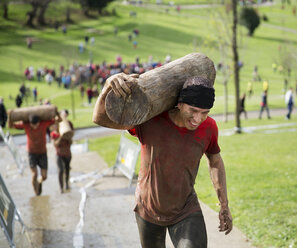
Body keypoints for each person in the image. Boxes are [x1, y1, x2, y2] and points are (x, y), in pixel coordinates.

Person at [93, 74, 233, 248]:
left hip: (185, 209)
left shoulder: (208, 127)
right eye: (193, 110)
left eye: (204, 113)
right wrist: (107, 86)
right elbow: (100, 118)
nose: (198, 119)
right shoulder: (150, 120)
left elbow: (215, 161)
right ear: (180, 104)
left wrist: (224, 204)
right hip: (148, 209)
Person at [9, 113, 60, 196]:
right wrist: (9, 117)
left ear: (39, 122)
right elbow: (11, 126)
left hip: (42, 152)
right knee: (34, 174)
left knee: (44, 176)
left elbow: (58, 120)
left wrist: (57, 113)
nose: (34, 127)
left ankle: (39, 183)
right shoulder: (26, 125)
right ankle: (36, 194)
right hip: (31, 152)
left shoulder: (44, 124)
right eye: (33, 125)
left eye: (36, 125)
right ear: (30, 123)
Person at [51, 110, 74, 194]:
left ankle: (67, 184)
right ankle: (61, 188)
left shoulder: (69, 125)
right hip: (59, 153)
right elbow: (55, 144)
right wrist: (61, 137)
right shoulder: (54, 131)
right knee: (60, 170)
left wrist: (68, 136)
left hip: (67, 153)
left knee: (67, 169)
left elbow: (71, 140)